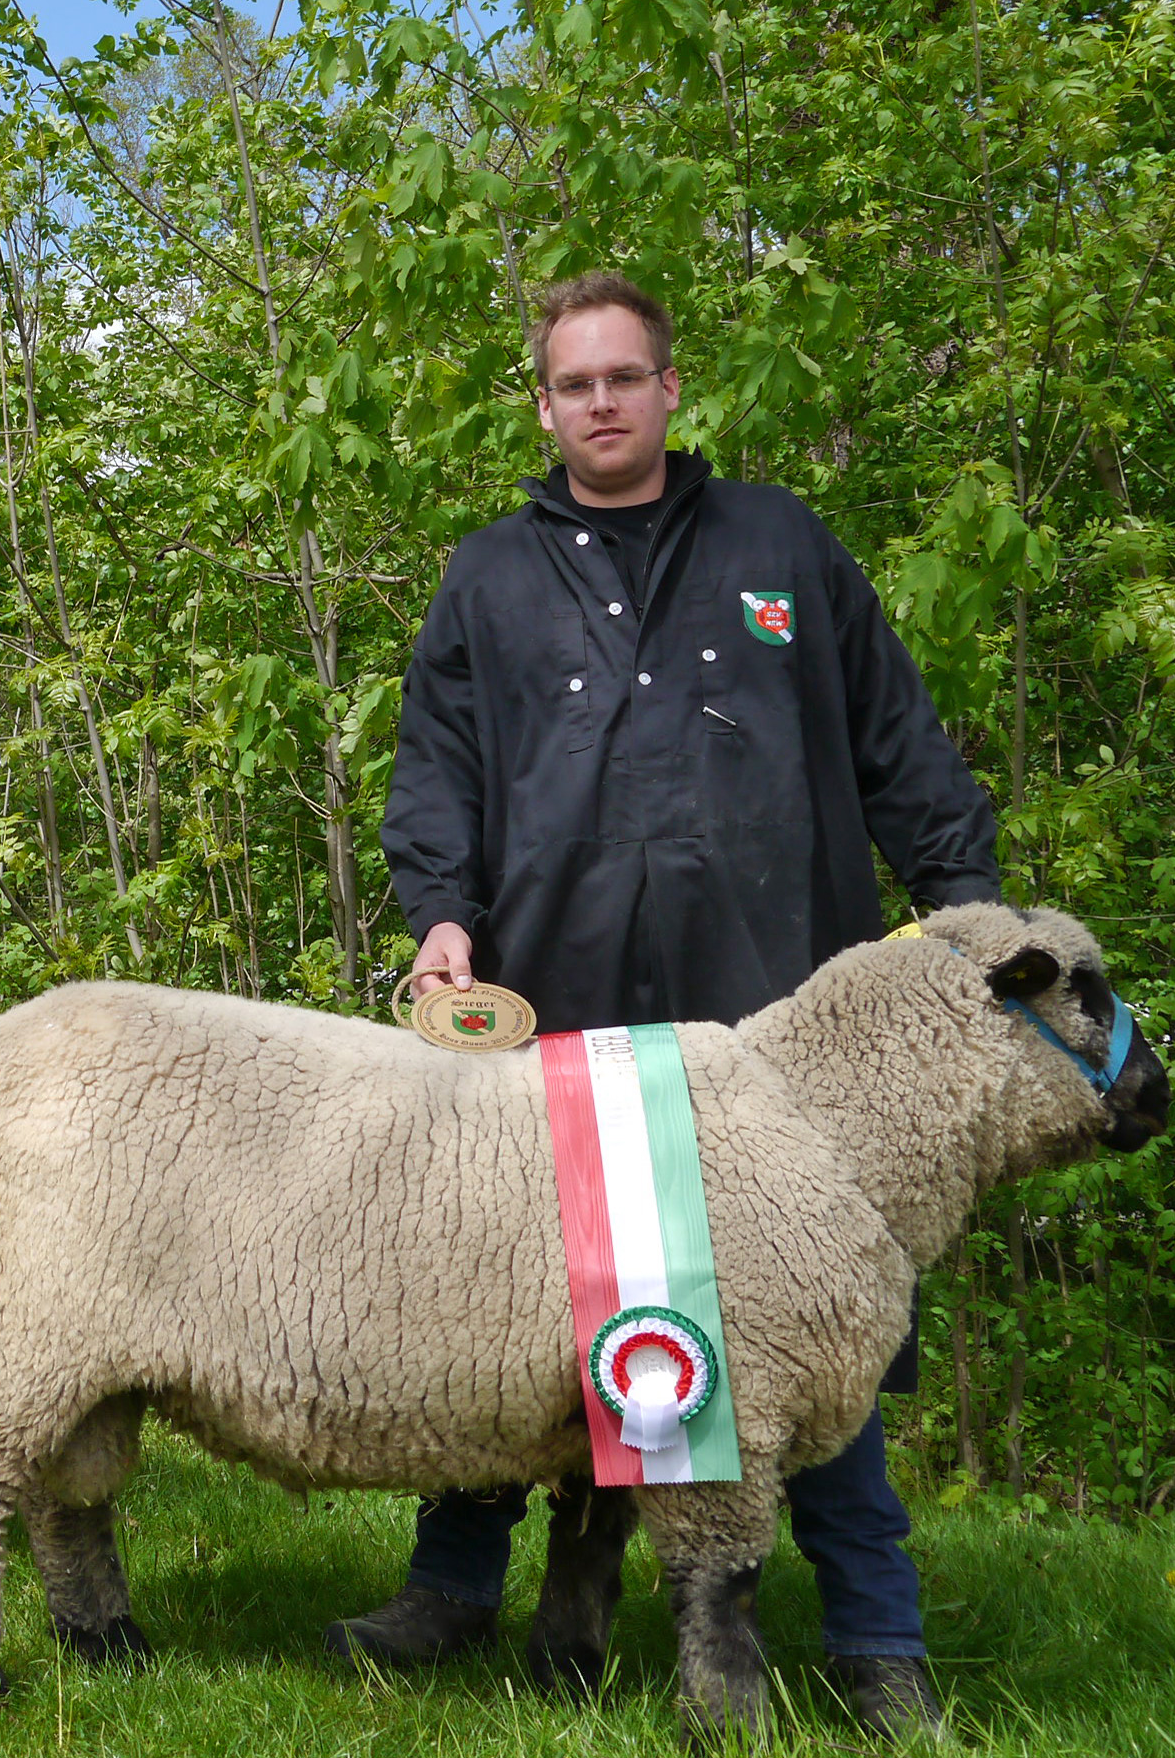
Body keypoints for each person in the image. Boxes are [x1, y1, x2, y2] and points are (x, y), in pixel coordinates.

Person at [359, 272, 999, 1736]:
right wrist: (440, 914)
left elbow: (899, 740)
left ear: (665, 389)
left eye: (623, 376)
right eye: (572, 381)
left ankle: (873, 1632)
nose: (599, 400)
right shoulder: (486, 576)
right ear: (542, 404)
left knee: (798, 1320)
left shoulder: (779, 541)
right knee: (502, 1306)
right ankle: (453, 1583)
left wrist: (963, 914)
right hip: (558, 1004)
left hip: (771, 1017)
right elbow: (434, 772)